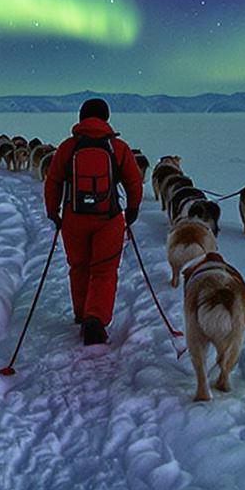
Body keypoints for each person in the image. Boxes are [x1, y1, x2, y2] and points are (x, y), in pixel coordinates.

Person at [41, 97, 144, 345]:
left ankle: (81, 313)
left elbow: (53, 182)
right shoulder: (118, 148)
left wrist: (53, 212)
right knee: (104, 270)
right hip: (108, 218)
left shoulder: (67, 147)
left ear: (81, 118)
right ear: (106, 118)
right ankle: (95, 319)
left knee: (78, 266)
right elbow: (134, 182)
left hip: (74, 218)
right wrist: (132, 209)